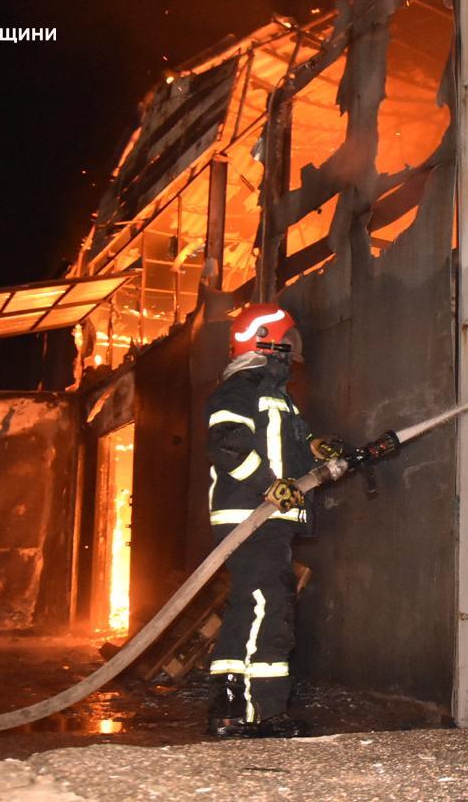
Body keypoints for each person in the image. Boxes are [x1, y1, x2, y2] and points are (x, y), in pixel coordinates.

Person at [204, 303, 341, 738]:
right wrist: (267, 485)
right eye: (287, 338)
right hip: (250, 514)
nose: (292, 348)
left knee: (267, 607)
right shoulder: (241, 387)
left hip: (270, 517)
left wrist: (314, 448)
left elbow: (283, 450)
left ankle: (262, 712)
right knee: (263, 604)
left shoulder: (276, 395)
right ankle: (232, 710)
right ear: (264, 340)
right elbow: (227, 443)